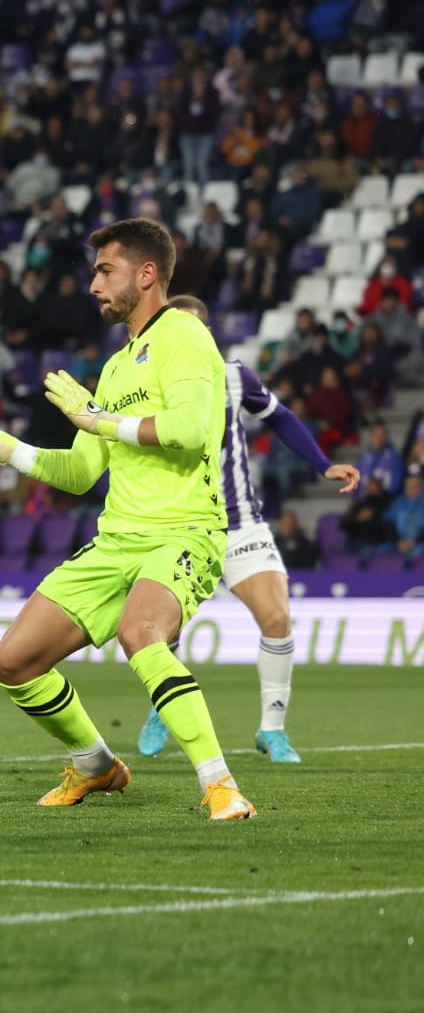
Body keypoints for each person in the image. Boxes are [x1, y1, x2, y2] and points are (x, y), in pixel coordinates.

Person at [0, 218, 255, 821]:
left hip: (184, 533)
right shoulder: (115, 368)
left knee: (142, 633)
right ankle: (96, 765)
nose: (93, 284)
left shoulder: (183, 335)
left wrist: (99, 421)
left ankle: (221, 786)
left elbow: (189, 432)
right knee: (12, 661)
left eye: (104, 270)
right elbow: (83, 472)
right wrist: (0, 446)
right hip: (116, 542)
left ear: (145, 274)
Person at [136, 296, 361, 764]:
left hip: (239, 522)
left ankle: (272, 730)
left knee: (277, 618)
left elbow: (278, 415)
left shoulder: (233, 374)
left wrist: (322, 466)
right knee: (159, 630)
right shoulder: (149, 380)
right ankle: (162, 708)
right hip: (177, 524)